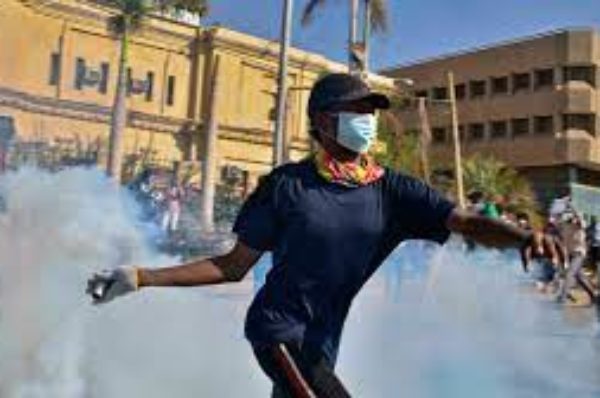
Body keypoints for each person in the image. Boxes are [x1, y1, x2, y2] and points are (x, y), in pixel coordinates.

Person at [87, 73, 563, 397]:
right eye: (356, 109)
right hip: (276, 334)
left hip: (320, 346)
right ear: (320, 121)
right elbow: (231, 266)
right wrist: (139, 276)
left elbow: (465, 221)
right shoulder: (286, 186)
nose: (368, 119)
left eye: (371, 110)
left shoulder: (392, 190)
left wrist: (523, 237)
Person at [557, 212, 596, 304]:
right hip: (570, 254)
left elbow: (583, 224)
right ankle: (593, 296)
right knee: (580, 277)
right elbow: (559, 223)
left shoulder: (578, 225)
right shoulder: (565, 226)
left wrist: (577, 216)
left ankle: (563, 297)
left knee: (570, 273)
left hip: (579, 253)